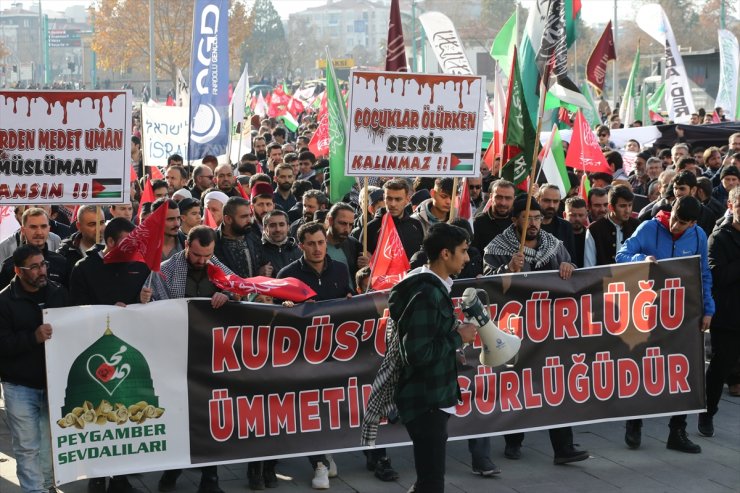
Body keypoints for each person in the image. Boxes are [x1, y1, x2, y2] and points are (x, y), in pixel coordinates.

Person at [482, 198, 588, 464]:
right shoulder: (496, 249)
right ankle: (514, 440)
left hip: (549, 330)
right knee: (516, 385)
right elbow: (485, 283)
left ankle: (563, 448)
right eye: (527, 217)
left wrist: (569, 267)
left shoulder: (555, 247)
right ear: (515, 220)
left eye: (538, 218)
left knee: (556, 385)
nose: (534, 223)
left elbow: (573, 275)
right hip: (515, 330)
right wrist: (506, 270)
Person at [616, 196, 714, 453]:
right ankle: (634, 423)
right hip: (646, 312)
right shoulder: (649, 227)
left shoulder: (699, 235)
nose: (675, 226)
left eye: (683, 224)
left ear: (692, 223)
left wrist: (708, 308)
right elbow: (621, 254)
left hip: (681, 314)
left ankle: (677, 432)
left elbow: (703, 273)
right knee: (640, 368)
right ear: (670, 212)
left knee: (684, 372)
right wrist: (640, 260)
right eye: (674, 219)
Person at [140, 226, 231, 493]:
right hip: (175, 354)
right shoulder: (164, 270)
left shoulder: (218, 267)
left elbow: (241, 291)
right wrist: (144, 300)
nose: (203, 261)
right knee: (178, 416)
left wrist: (228, 295)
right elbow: (153, 309)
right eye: (197, 255)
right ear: (186, 245)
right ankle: (172, 470)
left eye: (208, 255)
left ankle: (210, 478)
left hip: (210, 355)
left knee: (209, 416)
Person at [391, 222, 478, 492]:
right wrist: (458, 338)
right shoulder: (426, 293)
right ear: (444, 254)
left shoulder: (434, 287)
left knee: (426, 482)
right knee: (431, 483)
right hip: (425, 400)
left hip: (432, 396)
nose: (467, 258)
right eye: (463, 251)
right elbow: (417, 353)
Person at [0, 245, 69, 493]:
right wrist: (33, 338)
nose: (42, 271)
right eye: (35, 267)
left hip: (53, 384)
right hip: (20, 385)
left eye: (44, 265)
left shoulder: (58, 293)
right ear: (18, 271)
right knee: (27, 446)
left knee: (50, 444)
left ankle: (47, 485)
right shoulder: (4, 301)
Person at [700, 187, 740, 437]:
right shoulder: (719, 237)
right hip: (728, 316)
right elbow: (717, 276)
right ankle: (707, 413)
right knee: (720, 366)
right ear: (731, 206)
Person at [0, 208, 68, 290]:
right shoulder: (9, 266)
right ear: (23, 230)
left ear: (49, 229)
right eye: (33, 227)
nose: (39, 232)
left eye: (43, 226)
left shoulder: (61, 263)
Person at [362, 178, 424, 260]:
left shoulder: (416, 225)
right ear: (384, 198)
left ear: (407, 199)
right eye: (389, 198)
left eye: (398, 199)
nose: (393, 204)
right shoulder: (371, 228)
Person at [584, 185, 639, 267]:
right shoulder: (594, 230)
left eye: (630, 205)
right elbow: (589, 267)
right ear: (611, 207)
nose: (627, 210)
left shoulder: (637, 226)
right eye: (622, 206)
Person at [472, 179, 516, 253]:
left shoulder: (519, 222)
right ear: (491, 197)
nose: (503, 203)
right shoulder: (478, 223)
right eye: (499, 197)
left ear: (514, 199)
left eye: (508, 198)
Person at [261, 210, 302, 275]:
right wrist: (258, 273)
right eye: (272, 225)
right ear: (265, 228)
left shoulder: (298, 250)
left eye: (281, 225)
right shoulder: (257, 251)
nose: (278, 229)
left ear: (288, 227)